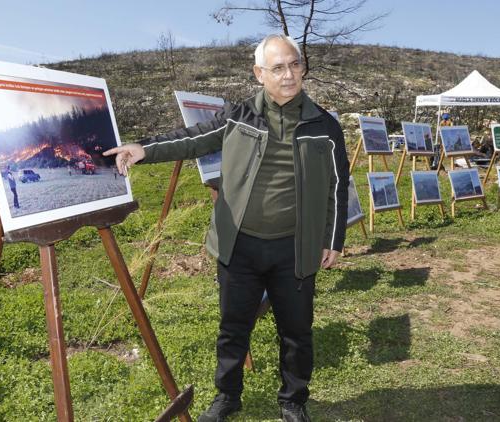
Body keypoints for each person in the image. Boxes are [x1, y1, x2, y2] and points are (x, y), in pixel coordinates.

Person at [104, 34, 349, 422]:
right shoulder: (240, 116)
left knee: (297, 331)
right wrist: (146, 149)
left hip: (295, 248)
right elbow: (192, 139)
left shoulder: (324, 126)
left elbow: (338, 185)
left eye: (294, 65)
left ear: (302, 67)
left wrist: (332, 240)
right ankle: (228, 397)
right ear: (259, 74)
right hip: (241, 245)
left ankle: (293, 400)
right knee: (233, 328)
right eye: (278, 68)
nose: (288, 75)